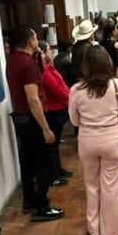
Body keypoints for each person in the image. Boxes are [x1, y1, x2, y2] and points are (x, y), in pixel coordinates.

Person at [68, 46, 118, 235]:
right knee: (111, 186)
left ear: (86, 67)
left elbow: (74, 121)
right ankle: (109, 231)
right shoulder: (116, 86)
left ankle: (94, 228)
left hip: (87, 141)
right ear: (107, 64)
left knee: (91, 184)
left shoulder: (76, 90)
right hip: (113, 140)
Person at [5, 27, 63, 221]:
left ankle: (29, 200)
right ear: (30, 41)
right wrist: (45, 128)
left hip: (21, 118)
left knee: (28, 162)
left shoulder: (12, 60)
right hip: (32, 119)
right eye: (36, 38)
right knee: (44, 163)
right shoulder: (27, 64)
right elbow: (33, 99)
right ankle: (41, 205)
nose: (38, 41)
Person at [41, 46, 73, 182]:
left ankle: (58, 169)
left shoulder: (49, 67)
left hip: (60, 107)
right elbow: (56, 89)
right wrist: (70, 98)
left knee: (55, 144)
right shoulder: (43, 71)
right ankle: (53, 174)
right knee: (52, 145)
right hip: (54, 110)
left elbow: (62, 85)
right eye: (48, 50)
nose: (51, 52)